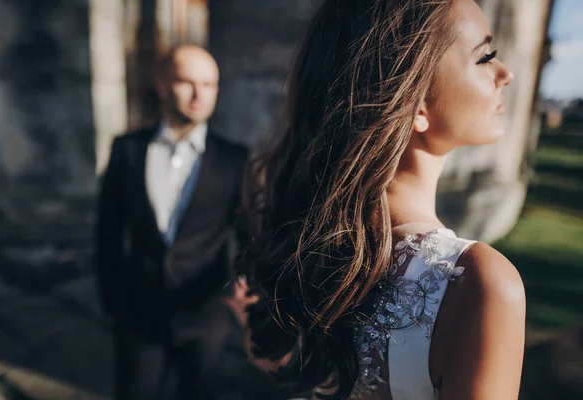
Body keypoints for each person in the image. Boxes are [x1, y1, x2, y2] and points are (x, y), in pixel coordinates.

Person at [227, 0, 526, 399]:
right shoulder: (479, 285)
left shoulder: (306, 251)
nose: (505, 74)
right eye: (485, 57)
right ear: (417, 103)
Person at [95, 45, 259, 399]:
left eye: (209, 84)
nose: (199, 94)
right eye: (187, 82)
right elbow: (107, 232)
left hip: (204, 319)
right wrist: (112, 302)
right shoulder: (128, 150)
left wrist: (244, 294)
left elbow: (248, 235)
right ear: (163, 86)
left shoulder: (234, 159)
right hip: (138, 316)